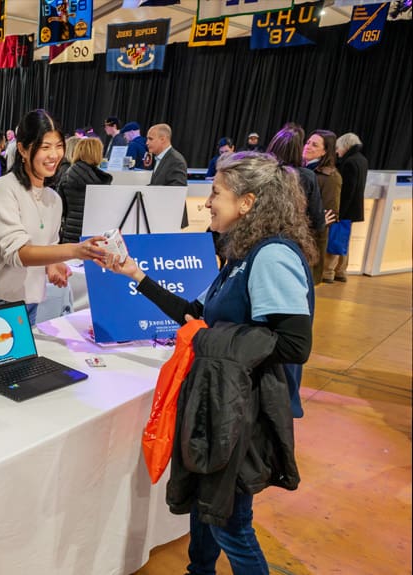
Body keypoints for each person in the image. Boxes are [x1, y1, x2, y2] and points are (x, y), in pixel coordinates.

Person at [101, 151, 316, 575]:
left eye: (215, 193)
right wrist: (135, 275)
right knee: (207, 510)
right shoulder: (242, 254)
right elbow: (196, 315)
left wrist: (208, 340)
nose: (207, 203)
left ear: (248, 203)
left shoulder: (272, 256)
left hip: (244, 411)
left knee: (232, 524)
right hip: (222, 403)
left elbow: (294, 344)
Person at [0, 109, 108, 325]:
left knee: (27, 361)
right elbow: (18, 253)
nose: (54, 155)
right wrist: (76, 250)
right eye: (45, 147)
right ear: (23, 150)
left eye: (58, 146)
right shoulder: (5, 188)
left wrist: (52, 265)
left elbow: (46, 246)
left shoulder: (53, 199)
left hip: (29, 302)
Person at [326, 133, 368, 283]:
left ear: (345, 146)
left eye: (338, 148)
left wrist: (339, 212)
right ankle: (341, 271)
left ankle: (328, 272)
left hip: (345, 208)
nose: (337, 152)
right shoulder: (362, 160)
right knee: (343, 241)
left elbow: (347, 190)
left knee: (335, 240)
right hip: (353, 209)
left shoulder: (349, 162)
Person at [303, 130, 341, 284]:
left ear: (325, 151)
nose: (308, 146)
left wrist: (314, 221)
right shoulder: (302, 168)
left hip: (311, 240)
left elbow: (331, 214)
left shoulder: (330, 177)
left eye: (314, 145)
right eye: (308, 142)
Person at [57, 137, 113, 244]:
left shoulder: (68, 176)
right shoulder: (101, 179)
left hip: (71, 235)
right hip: (95, 235)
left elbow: (60, 209)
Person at [147, 123, 189, 228]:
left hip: (171, 218)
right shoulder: (160, 158)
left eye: (150, 139)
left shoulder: (176, 160)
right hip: (162, 216)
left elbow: (176, 191)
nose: (147, 143)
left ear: (163, 139)